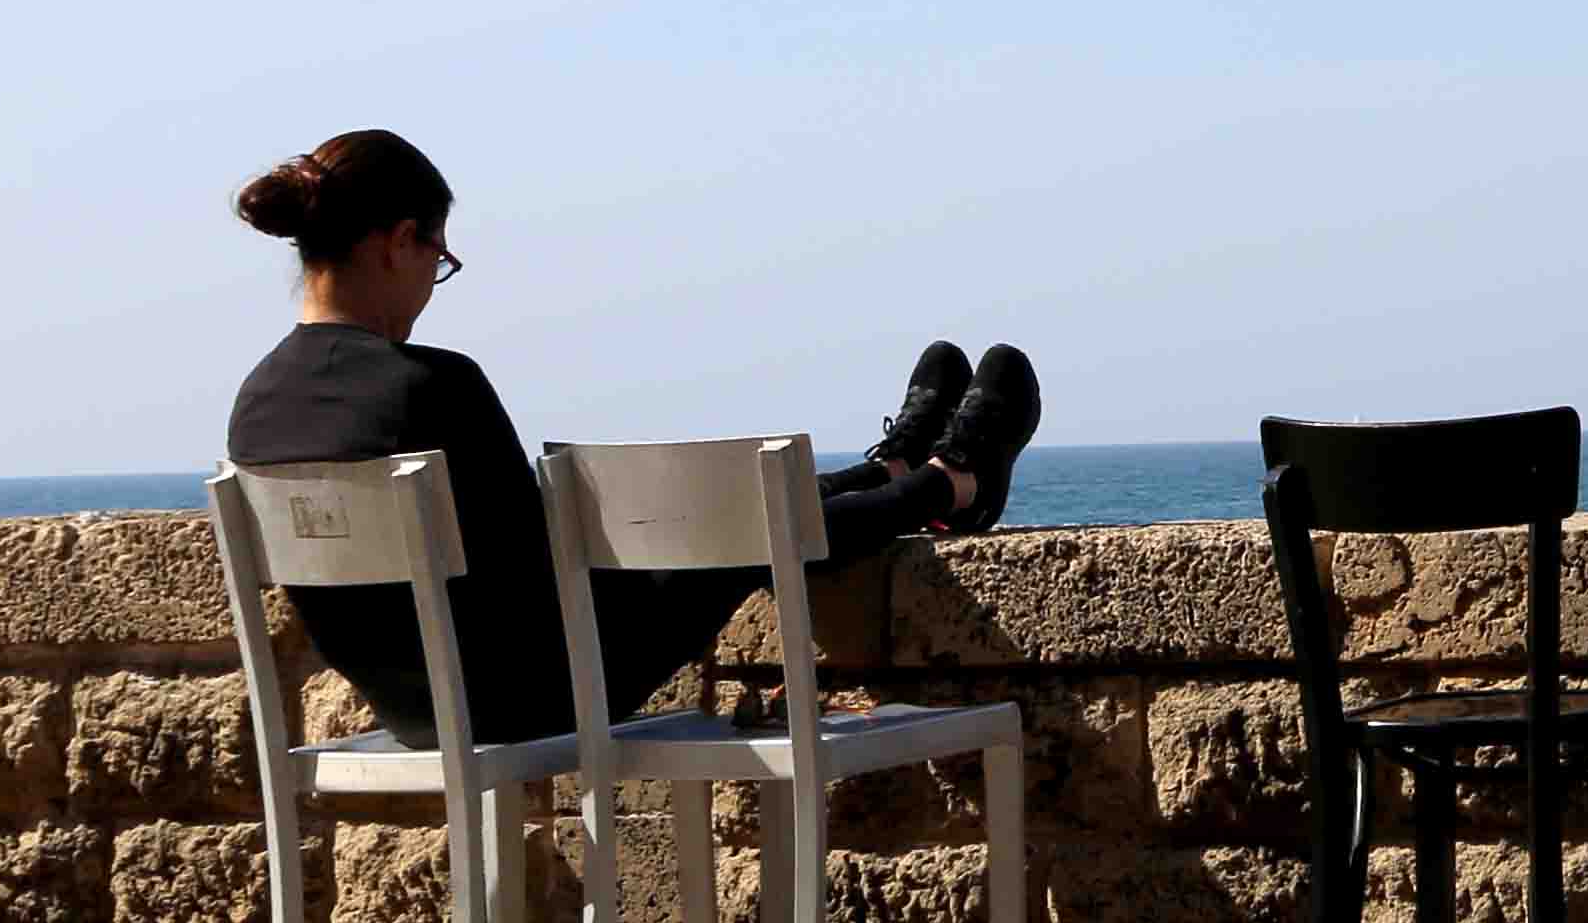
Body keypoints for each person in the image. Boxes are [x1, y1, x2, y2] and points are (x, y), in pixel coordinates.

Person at [222, 130, 1042, 746]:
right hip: (537, 698)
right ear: (400, 241)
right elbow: (545, 568)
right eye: (438, 258)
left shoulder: (253, 405)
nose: (433, 284)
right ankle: (952, 483)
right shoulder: (432, 384)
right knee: (737, 533)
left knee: (724, 521)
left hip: (410, 714)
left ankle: (892, 471)